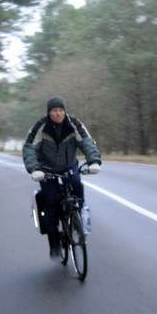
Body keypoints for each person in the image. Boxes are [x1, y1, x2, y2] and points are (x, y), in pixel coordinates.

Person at [23, 97, 102, 257]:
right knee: (51, 202)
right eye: (54, 110)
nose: (58, 113)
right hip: (47, 170)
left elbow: (87, 142)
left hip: (69, 166)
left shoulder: (74, 123)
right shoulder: (41, 126)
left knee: (77, 186)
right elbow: (29, 148)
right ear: (49, 112)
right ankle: (54, 243)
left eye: (60, 110)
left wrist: (93, 161)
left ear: (64, 111)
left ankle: (77, 219)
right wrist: (34, 169)